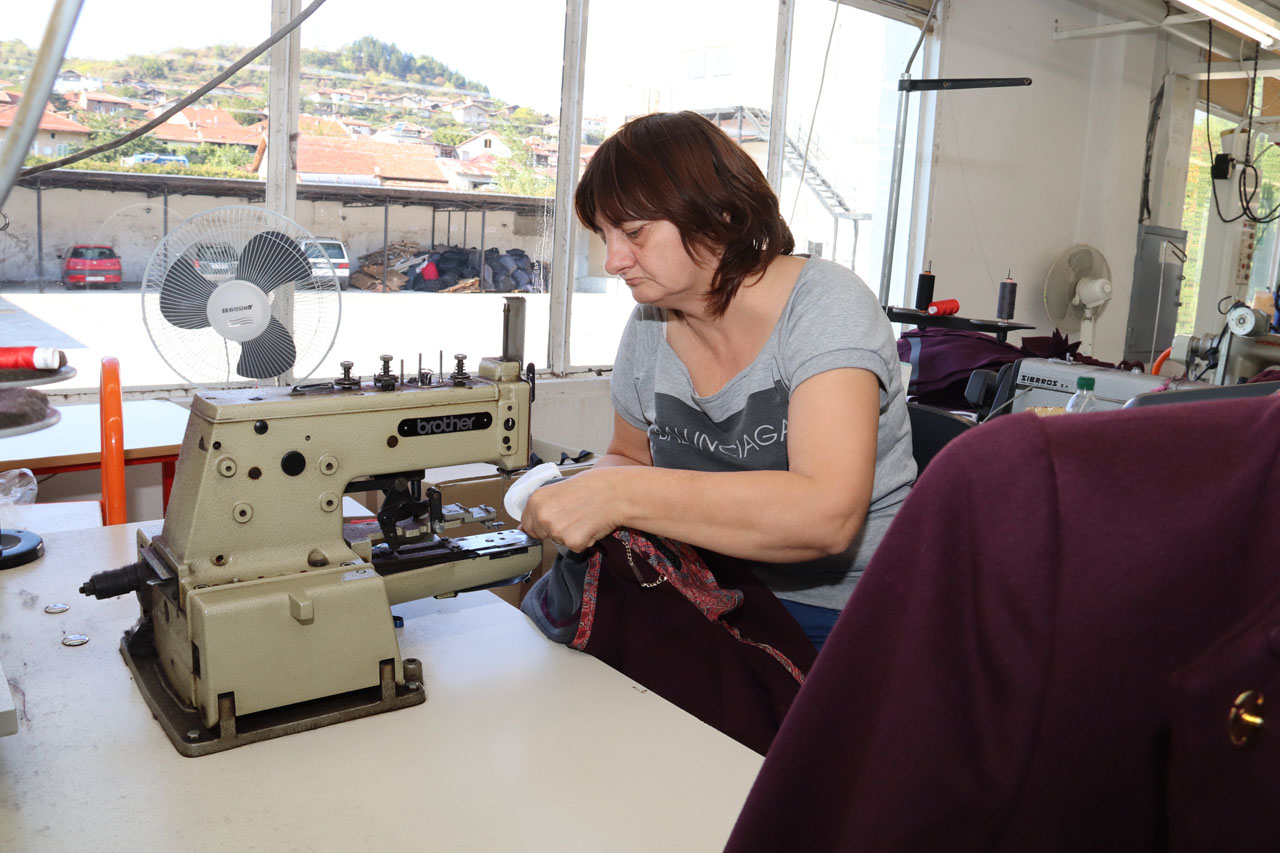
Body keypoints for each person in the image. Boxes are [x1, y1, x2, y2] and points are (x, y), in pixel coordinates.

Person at [519, 111, 915, 649]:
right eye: (605, 236)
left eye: (634, 233)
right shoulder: (650, 324)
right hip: (714, 589)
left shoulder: (826, 307)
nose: (613, 261)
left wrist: (618, 494)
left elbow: (826, 516)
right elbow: (630, 458)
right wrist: (584, 491)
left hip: (848, 609)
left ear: (718, 213)